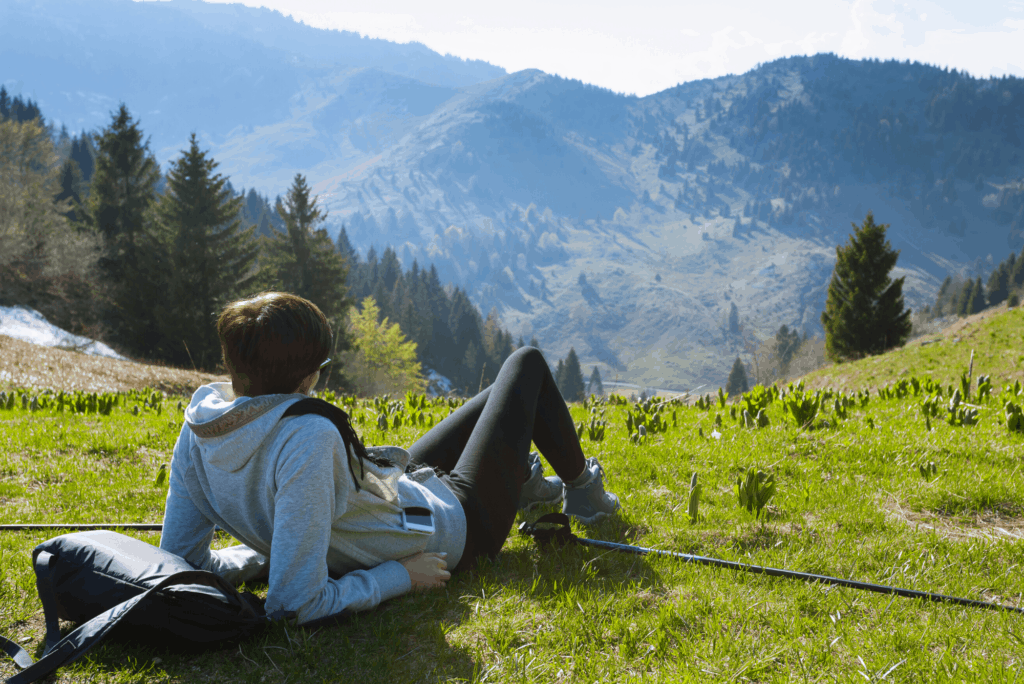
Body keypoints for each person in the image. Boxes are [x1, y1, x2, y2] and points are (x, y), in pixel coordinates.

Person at [160, 292, 620, 625]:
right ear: (308, 379)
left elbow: (180, 564)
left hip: (392, 498)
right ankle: (583, 492)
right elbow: (295, 605)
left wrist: (267, 553)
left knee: (503, 392)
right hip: (458, 528)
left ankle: (520, 479)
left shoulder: (201, 422)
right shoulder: (308, 438)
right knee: (527, 362)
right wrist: (397, 577)